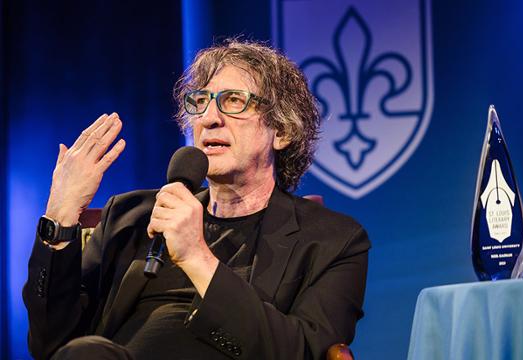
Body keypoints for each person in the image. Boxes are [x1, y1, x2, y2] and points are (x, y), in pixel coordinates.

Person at [23, 39, 370, 360]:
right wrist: (60, 216)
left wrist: (196, 256)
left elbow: (304, 352)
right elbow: (51, 343)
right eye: (200, 102)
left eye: (234, 101)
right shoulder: (130, 217)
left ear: (281, 131)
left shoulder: (334, 240)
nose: (208, 119)